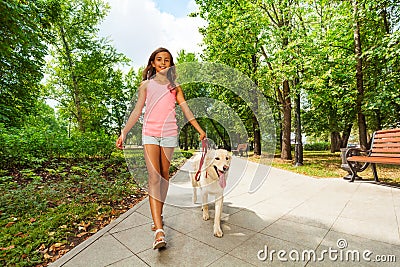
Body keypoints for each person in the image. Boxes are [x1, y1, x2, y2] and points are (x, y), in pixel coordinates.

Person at [116, 47, 206, 249]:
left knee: (164, 176)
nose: (163, 62)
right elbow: (137, 110)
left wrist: (199, 129)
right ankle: (159, 231)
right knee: (154, 177)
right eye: (159, 59)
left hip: (169, 134)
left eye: (167, 60)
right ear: (153, 63)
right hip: (149, 134)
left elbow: (186, 109)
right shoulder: (146, 85)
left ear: (170, 64)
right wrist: (124, 132)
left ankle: (159, 212)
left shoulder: (175, 87)